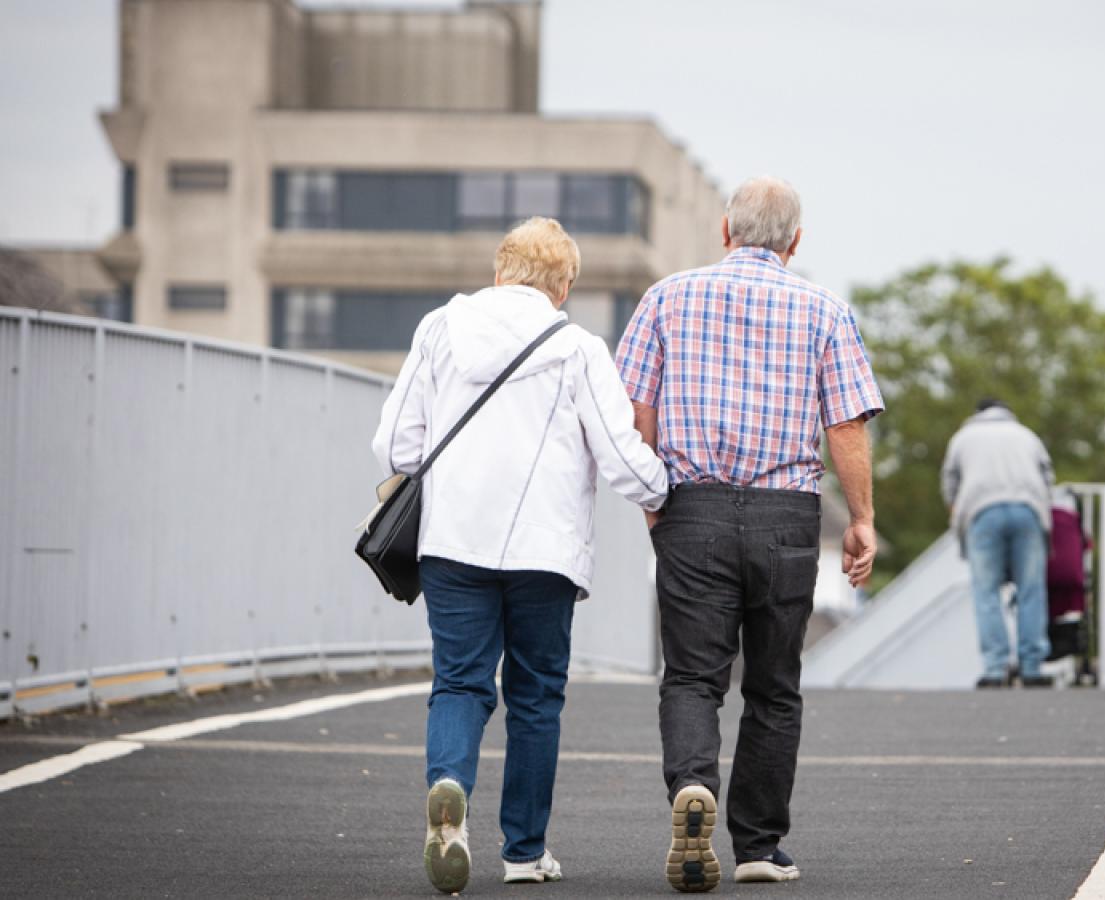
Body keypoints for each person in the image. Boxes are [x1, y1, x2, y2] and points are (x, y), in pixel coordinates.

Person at [373, 217, 669, 894]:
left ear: (500, 270)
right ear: (562, 287)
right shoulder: (577, 348)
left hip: (452, 541)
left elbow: (395, 445)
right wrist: (663, 491)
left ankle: (449, 787)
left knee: (460, 682)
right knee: (535, 696)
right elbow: (622, 456)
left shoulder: (439, 329)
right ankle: (525, 853)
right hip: (546, 549)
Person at [616, 176, 883, 892]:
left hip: (691, 508)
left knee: (694, 678)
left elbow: (636, 409)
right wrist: (860, 519)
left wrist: (655, 503)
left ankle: (691, 789)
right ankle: (759, 845)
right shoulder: (824, 309)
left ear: (725, 231)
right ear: (796, 242)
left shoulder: (666, 298)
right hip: (786, 516)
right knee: (773, 686)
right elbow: (847, 426)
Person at [940, 399, 1055, 689]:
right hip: (1028, 510)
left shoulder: (963, 438)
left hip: (982, 512)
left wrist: (956, 511)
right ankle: (1032, 667)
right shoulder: (1027, 435)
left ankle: (995, 669)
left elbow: (950, 483)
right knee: (1031, 590)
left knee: (986, 592)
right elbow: (1047, 477)